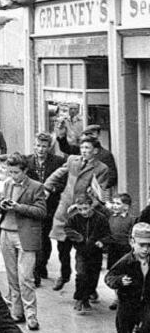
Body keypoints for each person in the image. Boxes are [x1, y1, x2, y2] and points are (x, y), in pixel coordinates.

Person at [44, 136, 112, 292]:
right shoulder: (73, 160)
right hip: (65, 208)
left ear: (95, 151)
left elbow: (100, 196)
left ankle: (88, 288)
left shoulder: (101, 168)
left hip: (84, 213)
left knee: (85, 251)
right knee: (62, 246)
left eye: (88, 148)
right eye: (82, 148)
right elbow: (58, 174)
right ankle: (64, 274)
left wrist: (85, 205)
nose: (84, 151)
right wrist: (46, 188)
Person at [0, 153, 47, 330]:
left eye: (16, 172)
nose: (12, 175)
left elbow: (41, 212)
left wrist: (18, 207)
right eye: (10, 172)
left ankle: (31, 315)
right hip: (6, 232)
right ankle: (17, 312)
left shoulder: (36, 187)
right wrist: (2, 205)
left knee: (26, 278)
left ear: (25, 171)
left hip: (26, 236)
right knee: (12, 276)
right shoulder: (7, 184)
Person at [105, 222, 150, 333]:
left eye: (149, 245)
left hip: (146, 302)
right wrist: (119, 281)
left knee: (147, 326)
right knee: (123, 332)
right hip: (127, 303)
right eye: (142, 245)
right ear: (132, 242)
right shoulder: (126, 261)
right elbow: (109, 277)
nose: (146, 249)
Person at [27, 132, 66, 286]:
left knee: (45, 237)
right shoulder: (27, 161)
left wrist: (52, 190)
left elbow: (64, 183)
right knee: (36, 236)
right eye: (38, 146)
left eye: (44, 146)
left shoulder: (58, 161)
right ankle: (36, 271)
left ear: (49, 147)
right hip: (33, 204)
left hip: (51, 205)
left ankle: (42, 264)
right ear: (34, 145)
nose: (41, 149)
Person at [65, 194, 110, 313]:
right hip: (81, 252)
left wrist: (102, 242)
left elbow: (107, 234)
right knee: (81, 274)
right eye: (80, 209)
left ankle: (89, 293)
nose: (83, 212)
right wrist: (78, 238)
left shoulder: (101, 218)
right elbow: (67, 229)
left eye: (85, 208)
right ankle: (80, 299)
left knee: (93, 276)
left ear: (91, 206)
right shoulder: (74, 218)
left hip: (96, 252)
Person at [106, 194, 136, 311]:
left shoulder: (131, 219)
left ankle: (124, 297)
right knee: (115, 271)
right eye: (114, 203)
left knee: (126, 271)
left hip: (125, 249)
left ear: (126, 207)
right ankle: (116, 297)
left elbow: (131, 235)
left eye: (118, 203)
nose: (115, 206)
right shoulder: (112, 218)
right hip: (113, 248)